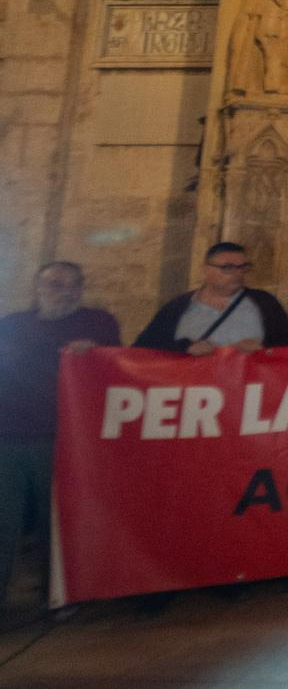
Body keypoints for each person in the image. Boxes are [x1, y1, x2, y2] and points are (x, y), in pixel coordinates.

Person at [1, 262, 118, 611]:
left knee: (59, 521)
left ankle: (60, 595)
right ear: (38, 287)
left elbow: (120, 364)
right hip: (10, 436)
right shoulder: (13, 325)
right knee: (4, 521)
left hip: (65, 438)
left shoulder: (98, 323)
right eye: (55, 283)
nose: (63, 290)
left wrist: (95, 353)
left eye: (72, 284)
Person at [135, 241, 288, 353]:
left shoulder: (265, 304)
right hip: (196, 394)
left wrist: (264, 348)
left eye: (243, 267)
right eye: (227, 268)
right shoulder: (177, 308)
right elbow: (143, 351)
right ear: (206, 270)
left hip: (248, 395)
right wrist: (184, 347)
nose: (237, 274)